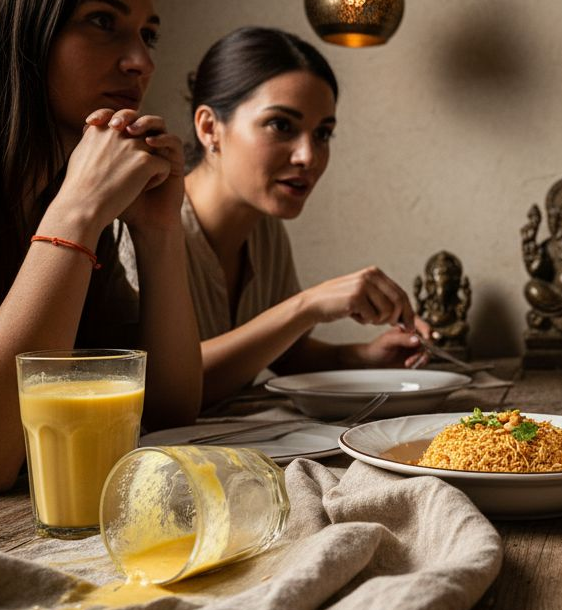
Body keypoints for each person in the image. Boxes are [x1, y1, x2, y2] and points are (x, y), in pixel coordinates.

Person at [0, 0, 201, 514]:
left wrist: (158, 229)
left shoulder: (53, 190)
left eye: (148, 34)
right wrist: (79, 211)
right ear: (10, 27)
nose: (141, 62)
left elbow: (165, 410)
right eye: (102, 21)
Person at [130, 27, 427, 408]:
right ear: (209, 128)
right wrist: (307, 306)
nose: (308, 156)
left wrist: (361, 357)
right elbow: (159, 392)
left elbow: (282, 352)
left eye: (322, 134)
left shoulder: (264, 227)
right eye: (281, 125)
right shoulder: (148, 226)